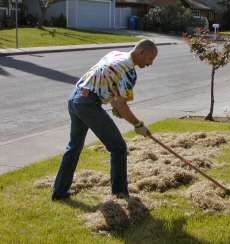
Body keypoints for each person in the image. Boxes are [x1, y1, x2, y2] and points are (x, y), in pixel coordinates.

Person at [51, 39, 158, 201]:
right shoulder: (129, 72)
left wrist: (116, 106)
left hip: (75, 98)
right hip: (88, 104)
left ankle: (59, 192)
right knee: (118, 147)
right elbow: (121, 105)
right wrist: (138, 124)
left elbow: (110, 86)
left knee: (74, 146)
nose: (151, 63)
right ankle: (120, 194)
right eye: (150, 58)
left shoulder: (115, 54)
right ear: (141, 52)